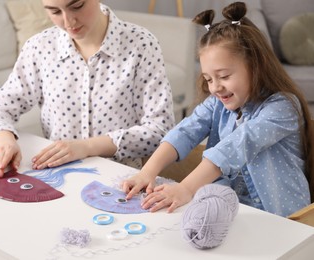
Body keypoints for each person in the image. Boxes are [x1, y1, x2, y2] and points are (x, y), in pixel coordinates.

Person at [122, 2, 314, 217]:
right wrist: (147, 172)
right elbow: (184, 131)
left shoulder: (282, 107)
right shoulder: (217, 103)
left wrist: (185, 189)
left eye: (224, 76)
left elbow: (235, 147)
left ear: (255, 65)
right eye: (208, 79)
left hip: (283, 218)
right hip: (235, 210)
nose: (215, 87)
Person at [0, 0, 175, 179]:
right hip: (56, 179)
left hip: (122, 181)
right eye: (55, 11)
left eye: (77, 6)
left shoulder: (141, 44)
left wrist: (86, 147)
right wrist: (5, 142)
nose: (68, 21)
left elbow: (160, 130)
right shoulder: (40, 48)